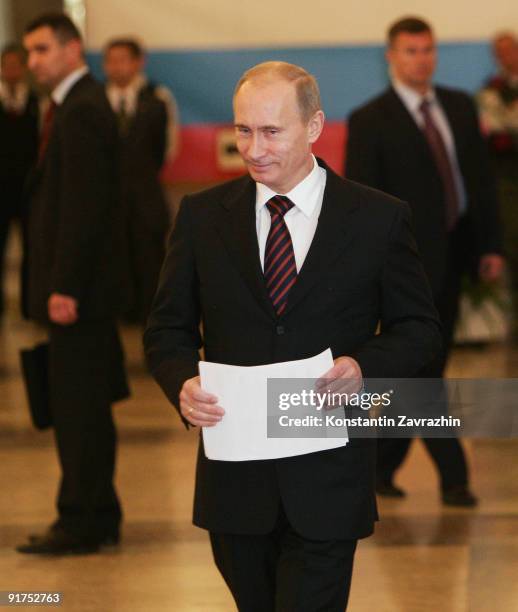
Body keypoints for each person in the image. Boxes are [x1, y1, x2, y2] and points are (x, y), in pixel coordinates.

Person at [144, 61, 441, 611]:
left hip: (328, 481)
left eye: (271, 131)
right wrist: (181, 382)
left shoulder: (378, 219)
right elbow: (167, 329)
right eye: (242, 130)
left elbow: (418, 329)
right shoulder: (203, 217)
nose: (253, 148)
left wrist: (362, 366)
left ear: (314, 126)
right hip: (235, 485)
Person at [346, 16, 504, 506]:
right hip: (402, 269)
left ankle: (379, 466)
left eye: (428, 49)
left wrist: (490, 246)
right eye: (411, 51)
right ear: (391, 56)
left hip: (456, 257)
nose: (422, 59)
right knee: (423, 369)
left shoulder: (458, 106)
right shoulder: (371, 119)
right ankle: (453, 475)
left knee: (420, 369)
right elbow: (361, 203)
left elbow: (479, 182)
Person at [17, 13, 132, 555]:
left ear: (72, 48)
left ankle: (83, 519)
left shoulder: (82, 109)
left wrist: (64, 286)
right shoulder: (70, 106)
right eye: (30, 51)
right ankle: (97, 511)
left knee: (78, 410)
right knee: (78, 405)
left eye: (41, 49)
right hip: (78, 291)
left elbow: (84, 209)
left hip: (77, 296)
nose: (33, 60)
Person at [103, 37, 179, 324]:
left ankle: (149, 316)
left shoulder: (157, 98)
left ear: (138, 62)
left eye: (123, 60)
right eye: (110, 61)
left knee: (149, 259)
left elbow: (167, 147)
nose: (116, 67)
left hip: (146, 195)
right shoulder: (96, 99)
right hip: (108, 199)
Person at [478, 32, 518, 339]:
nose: (507, 55)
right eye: (500, 51)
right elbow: (496, 133)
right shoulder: (491, 90)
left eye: (511, 49)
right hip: (507, 181)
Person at [0, 43, 39, 316]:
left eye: (17, 65)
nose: (11, 71)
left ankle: (30, 305)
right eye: (6, 66)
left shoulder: (37, 102)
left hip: (28, 189)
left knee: (33, 251)